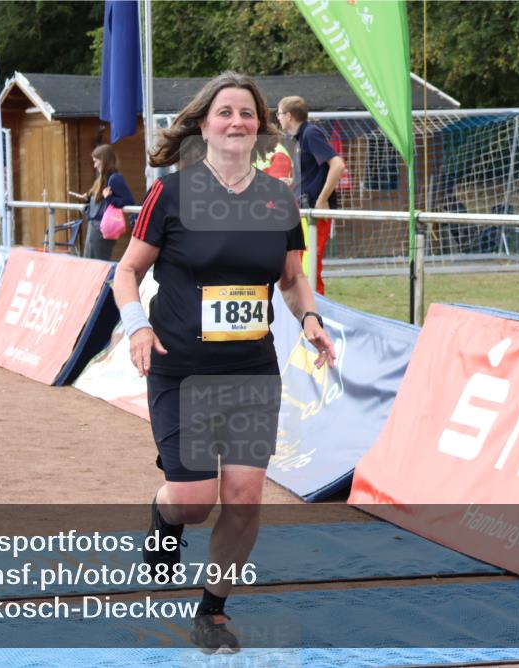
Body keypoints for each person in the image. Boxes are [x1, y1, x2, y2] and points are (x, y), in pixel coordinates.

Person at [112, 71, 336, 654]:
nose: (236, 121)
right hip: (179, 365)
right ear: (205, 124)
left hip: (251, 372)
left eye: (246, 113)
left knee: (244, 496)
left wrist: (309, 318)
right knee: (193, 500)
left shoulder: (278, 197)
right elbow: (127, 271)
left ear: (260, 127)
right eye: (225, 112)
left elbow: (291, 280)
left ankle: (211, 611)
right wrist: (136, 325)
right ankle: (164, 520)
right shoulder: (174, 192)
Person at [277, 96, 346, 295]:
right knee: (301, 265)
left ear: (289, 116)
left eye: (279, 114)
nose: (278, 118)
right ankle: (306, 310)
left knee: (311, 265)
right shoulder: (299, 139)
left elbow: (337, 165)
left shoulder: (310, 133)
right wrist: (291, 183)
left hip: (315, 212)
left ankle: (316, 311)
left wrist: (322, 199)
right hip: (304, 211)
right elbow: (313, 174)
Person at [70, 144, 135, 260]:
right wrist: (88, 198)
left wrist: (109, 198)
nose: (95, 165)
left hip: (103, 228)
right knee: (91, 263)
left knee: (99, 264)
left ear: (104, 160)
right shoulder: (102, 178)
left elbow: (128, 201)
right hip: (94, 226)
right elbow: (100, 199)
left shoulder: (115, 178)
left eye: (96, 161)